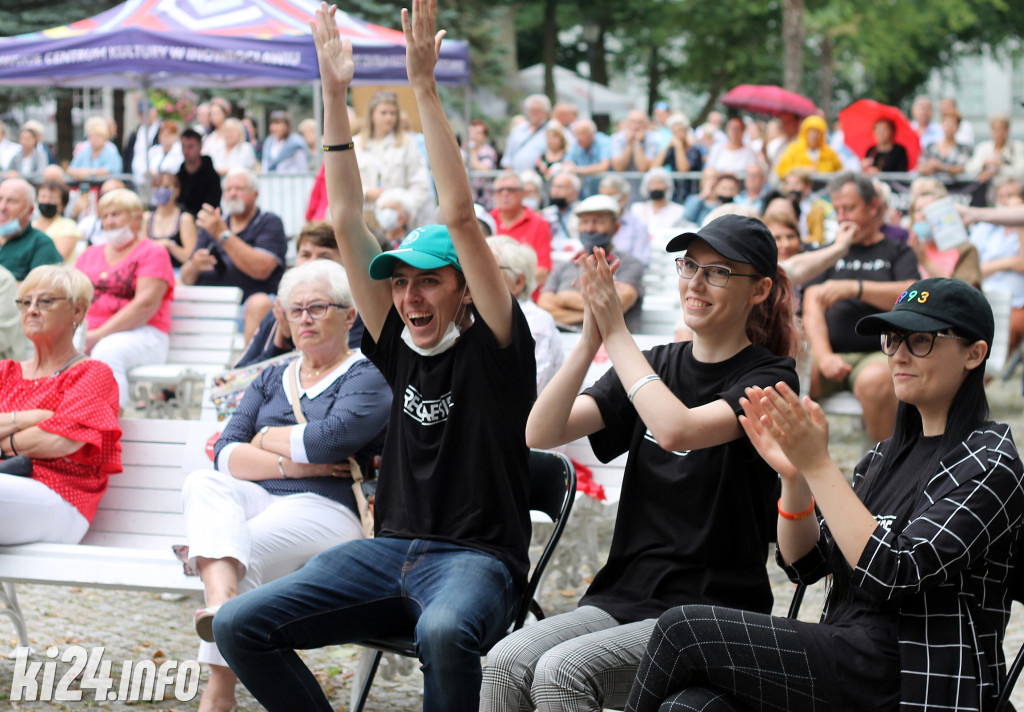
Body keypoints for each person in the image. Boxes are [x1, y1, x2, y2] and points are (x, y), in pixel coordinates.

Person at [212, 6, 538, 712]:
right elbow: (346, 217)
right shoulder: (392, 342)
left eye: (429, 280)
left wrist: (423, 86)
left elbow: (458, 213)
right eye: (400, 282)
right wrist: (333, 94)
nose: (411, 296)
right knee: (240, 622)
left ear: (465, 290)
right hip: (385, 552)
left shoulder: (498, 348)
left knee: (448, 631)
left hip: (477, 563)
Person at [625, 277, 1024, 712]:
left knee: (682, 628)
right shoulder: (882, 458)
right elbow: (806, 564)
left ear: (974, 353)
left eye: (922, 340)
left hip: (915, 676)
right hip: (849, 655)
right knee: (691, 705)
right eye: (892, 340)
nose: (899, 354)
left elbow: (893, 573)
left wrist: (819, 464)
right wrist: (796, 477)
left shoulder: (990, 461)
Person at [483, 214, 798, 712]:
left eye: (718, 272)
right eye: (689, 265)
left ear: (758, 290)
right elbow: (540, 432)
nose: (696, 282)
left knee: (562, 673)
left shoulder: (771, 376)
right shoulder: (653, 364)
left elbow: (678, 431)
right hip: (624, 597)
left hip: (711, 613)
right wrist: (590, 340)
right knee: (503, 662)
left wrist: (617, 334)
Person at [181, 258, 390, 712]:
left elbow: (329, 441)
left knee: (241, 549)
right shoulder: (272, 375)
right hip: (271, 492)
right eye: (295, 310)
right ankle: (221, 606)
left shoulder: (368, 375)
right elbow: (224, 452)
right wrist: (293, 466)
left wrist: (263, 441)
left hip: (328, 507)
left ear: (349, 315)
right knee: (201, 482)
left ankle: (218, 694)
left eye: (317, 307)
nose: (305, 319)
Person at [0, 264, 121, 545]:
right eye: (25, 302)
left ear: (77, 311)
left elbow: (61, 442)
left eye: (45, 302)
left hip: (60, 498)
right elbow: (53, 434)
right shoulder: (5, 372)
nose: (31, 310)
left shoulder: (92, 373)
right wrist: (32, 418)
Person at [802, 173, 919, 443]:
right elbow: (811, 304)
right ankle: (798, 473)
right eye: (838, 210)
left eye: (850, 208)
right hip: (827, 352)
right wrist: (825, 355)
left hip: (876, 352)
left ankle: (884, 470)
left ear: (873, 206)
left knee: (876, 382)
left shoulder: (897, 251)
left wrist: (856, 288)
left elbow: (912, 293)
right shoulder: (830, 252)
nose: (842, 217)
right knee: (792, 375)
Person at [75, 189, 174, 412]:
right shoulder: (89, 253)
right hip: (89, 333)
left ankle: (108, 423)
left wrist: (97, 335)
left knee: (107, 351)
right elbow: (73, 297)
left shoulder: (153, 252)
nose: (109, 221)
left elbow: (145, 306)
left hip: (144, 333)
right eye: (105, 216)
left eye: (116, 214)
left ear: (136, 217)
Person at [234, 221, 364, 368]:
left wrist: (291, 340)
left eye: (324, 257)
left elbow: (336, 372)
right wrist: (278, 346)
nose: (312, 263)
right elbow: (238, 375)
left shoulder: (353, 315)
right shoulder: (279, 312)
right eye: (305, 255)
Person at [180, 168, 287, 312]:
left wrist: (223, 234)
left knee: (259, 304)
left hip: (246, 307)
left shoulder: (268, 222)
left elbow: (261, 269)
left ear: (255, 194)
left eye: (239, 188)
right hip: (207, 306)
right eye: (228, 189)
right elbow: (186, 278)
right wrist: (194, 265)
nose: (232, 193)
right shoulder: (213, 225)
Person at [539, 194, 645, 331]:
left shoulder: (628, 264)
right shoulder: (565, 267)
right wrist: (597, 314)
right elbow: (543, 306)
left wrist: (564, 299)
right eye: (584, 222)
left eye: (599, 222)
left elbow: (619, 304)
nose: (589, 229)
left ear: (616, 228)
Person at [488, 235, 563, 391]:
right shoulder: (471, 316)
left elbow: (529, 391)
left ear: (518, 282)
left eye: (487, 270)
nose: (477, 278)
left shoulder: (536, 323)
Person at [966, 177, 1024, 354]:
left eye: (1011, 196)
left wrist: (1020, 221)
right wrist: (1009, 263)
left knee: (1007, 333)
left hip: (1018, 303)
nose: (1005, 201)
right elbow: (971, 271)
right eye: (1001, 196)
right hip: (983, 298)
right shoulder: (984, 228)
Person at [356, 89, 430, 222]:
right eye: (383, 113)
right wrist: (367, 192)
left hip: (397, 219)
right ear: (372, 114)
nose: (389, 118)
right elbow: (345, 184)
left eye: (393, 113)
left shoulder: (408, 143)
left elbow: (420, 183)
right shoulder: (356, 144)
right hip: (364, 217)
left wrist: (404, 208)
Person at [490, 171, 553, 289]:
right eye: (499, 190)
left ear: (523, 194)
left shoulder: (539, 223)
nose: (504, 193)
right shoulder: (488, 221)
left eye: (511, 190)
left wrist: (513, 286)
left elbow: (543, 271)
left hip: (525, 295)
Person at [907, 188, 980, 287]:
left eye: (929, 209)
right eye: (918, 210)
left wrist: (925, 262)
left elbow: (965, 291)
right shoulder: (907, 249)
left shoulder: (965, 249)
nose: (923, 215)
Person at [0, 178, 63, 281]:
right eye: (0, 199)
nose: (2, 207)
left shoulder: (41, 244)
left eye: (11, 201)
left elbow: (44, 291)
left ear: (29, 210)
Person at [143, 172, 197, 269]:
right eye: (158, 187)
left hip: (178, 273)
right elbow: (141, 251)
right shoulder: (146, 218)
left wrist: (170, 245)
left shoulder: (185, 218)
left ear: (177, 192)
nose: (162, 190)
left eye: (167, 187)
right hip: (152, 271)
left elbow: (189, 258)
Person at [503, 94, 561, 174]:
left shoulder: (553, 129)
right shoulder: (519, 129)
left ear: (546, 112)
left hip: (540, 177)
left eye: (538, 110)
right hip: (516, 177)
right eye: (532, 110)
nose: (534, 113)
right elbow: (508, 156)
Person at [775, 115, 843, 179]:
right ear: (805, 133)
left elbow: (840, 174)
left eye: (817, 132)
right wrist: (802, 171)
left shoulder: (830, 153)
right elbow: (781, 171)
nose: (814, 135)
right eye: (811, 132)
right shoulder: (794, 149)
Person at [653, 113, 702, 202]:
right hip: (675, 195)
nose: (677, 135)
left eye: (680, 131)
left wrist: (679, 147)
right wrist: (667, 147)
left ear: (686, 131)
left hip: (691, 195)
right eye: (674, 132)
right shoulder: (672, 150)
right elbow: (654, 167)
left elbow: (683, 169)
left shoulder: (695, 149)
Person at [630, 167, 685, 246]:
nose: (656, 187)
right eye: (653, 183)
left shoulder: (678, 211)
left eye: (660, 183)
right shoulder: (638, 209)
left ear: (667, 186)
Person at [32, 180, 81, 263]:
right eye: (43, 197)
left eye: (52, 198)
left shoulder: (68, 225)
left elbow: (58, 258)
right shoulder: (31, 225)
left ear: (62, 205)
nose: (46, 201)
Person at [177, 128, 223, 217]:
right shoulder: (179, 176)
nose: (186, 151)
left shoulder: (211, 176)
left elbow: (213, 203)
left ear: (200, 146)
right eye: (183, 146)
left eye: (190, 146)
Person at [917, 109, 971, 182]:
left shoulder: (963, 149)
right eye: (946, 123)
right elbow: (919, 166)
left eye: (952, 124)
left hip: (955, 189)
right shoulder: (930, 146)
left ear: (957, 127)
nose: (949, 127)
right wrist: (927, 168)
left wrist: (942, 167)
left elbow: (962, 168)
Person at [565, 119, 612, 198]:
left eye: (581, 134)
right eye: (576, 134)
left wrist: (579, 170)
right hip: (584, 194)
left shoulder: (604, 142)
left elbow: (604, 166)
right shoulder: (577, 143)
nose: (578, 138)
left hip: (603, 192)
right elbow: (567, 163)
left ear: (592, 134)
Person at [67, 117, 122, 181]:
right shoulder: (84, 150)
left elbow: (111, 170)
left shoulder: (111, 150)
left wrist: (90, 172)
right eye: (91, 136)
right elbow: (70, 170)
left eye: (97, 136)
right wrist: (80, 173)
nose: (94, 139)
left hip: (103, 185)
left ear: (104, 137)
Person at [541, 171, 581, 256]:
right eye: (554, 186)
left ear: (575, 193)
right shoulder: (545, 213)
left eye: (560, 187)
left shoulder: (583, 213)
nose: (556, 191)